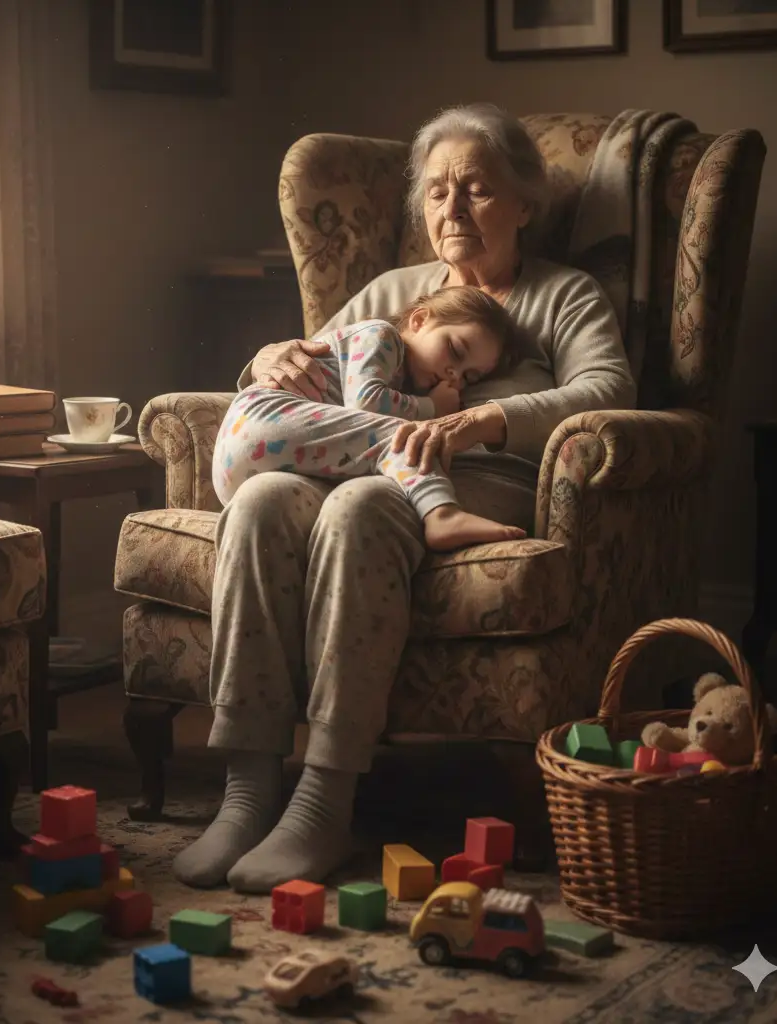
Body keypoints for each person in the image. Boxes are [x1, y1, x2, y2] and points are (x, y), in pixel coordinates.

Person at [172, 102, 636, 893]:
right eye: (436, 191)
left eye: (477, 190)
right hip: (348, 465)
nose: (451, 209)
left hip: (458, 488)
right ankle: (247, 793)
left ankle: (326, 797)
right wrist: (266, 359)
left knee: (358, 511)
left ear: (525, 204)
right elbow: (321, 374)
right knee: (256, 504)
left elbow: (610, 388)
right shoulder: (398, 291)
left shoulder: (565, 296)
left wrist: (485, 418)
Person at [213, 285, 527, 551]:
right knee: (408, 435)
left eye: (468, 377)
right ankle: (440, 512)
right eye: (455, 351)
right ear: (419, 321)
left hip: (246, 466)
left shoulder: (400, 375)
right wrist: (431, 407)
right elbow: (365, 403)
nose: (454, 376)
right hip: (261, 418)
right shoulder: (382, 335)